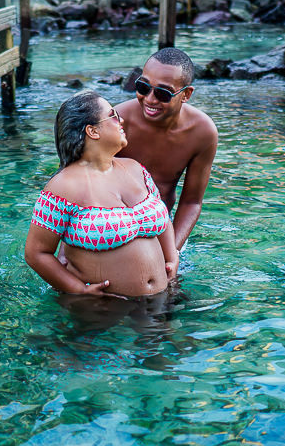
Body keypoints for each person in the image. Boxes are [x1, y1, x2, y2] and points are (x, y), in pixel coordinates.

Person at [26, 91, 179, 298]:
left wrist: (171, 258)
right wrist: (79, 289)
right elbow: (36, 253)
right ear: (92, 131)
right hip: (103, 310)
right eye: (113, 115)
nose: (121, 120)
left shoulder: (136, 169)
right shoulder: (62, 187)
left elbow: (162, 217)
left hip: (164, 296)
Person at [116, 47, 218, 251]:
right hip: (112, 223)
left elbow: (191, 202)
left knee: (171, 282)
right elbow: (82, 182)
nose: (151, 99)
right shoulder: (117, 121)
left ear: (186, 94)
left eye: (163, 93)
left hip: (161, 227)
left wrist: (172, 253)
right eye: (143, 87)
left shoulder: (202, 132)